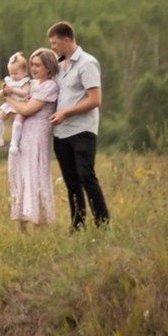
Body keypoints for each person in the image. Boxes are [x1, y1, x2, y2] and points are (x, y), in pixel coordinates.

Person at [45, 21, 108, 230]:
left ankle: (103, 224)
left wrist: (65, 113)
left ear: (66, 39)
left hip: (82, 131)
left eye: (55, 43)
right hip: (61, 134)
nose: (53, 47)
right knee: (71, 182)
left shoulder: (87, 63)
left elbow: (95, 99)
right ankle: (77, 225)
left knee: (86, 176)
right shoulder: (59, 66)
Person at [7, 48, 61, 231]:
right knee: (20, 174)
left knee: (36, 175)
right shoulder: (31, 84)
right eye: (31, 64)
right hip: (23, 135)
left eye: (38, 65)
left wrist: (8, 100)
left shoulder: (50, 86)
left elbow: (26, 110)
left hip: (38, 135)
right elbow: (20, 103)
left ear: (48, 67)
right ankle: (22, 224)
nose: (33, 68)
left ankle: (41, 222)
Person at [0, 51, 32, 150]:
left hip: (20, 105)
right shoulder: (10, 81)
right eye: (11, 73)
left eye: (16, 73)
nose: (13, 76)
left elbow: (24, 93)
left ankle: (14, 143)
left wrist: (13, 90)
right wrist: (3, 92)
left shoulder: (25, 82)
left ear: (24, 71)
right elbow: (2, 92)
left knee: (17, 123)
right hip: (9, 105)